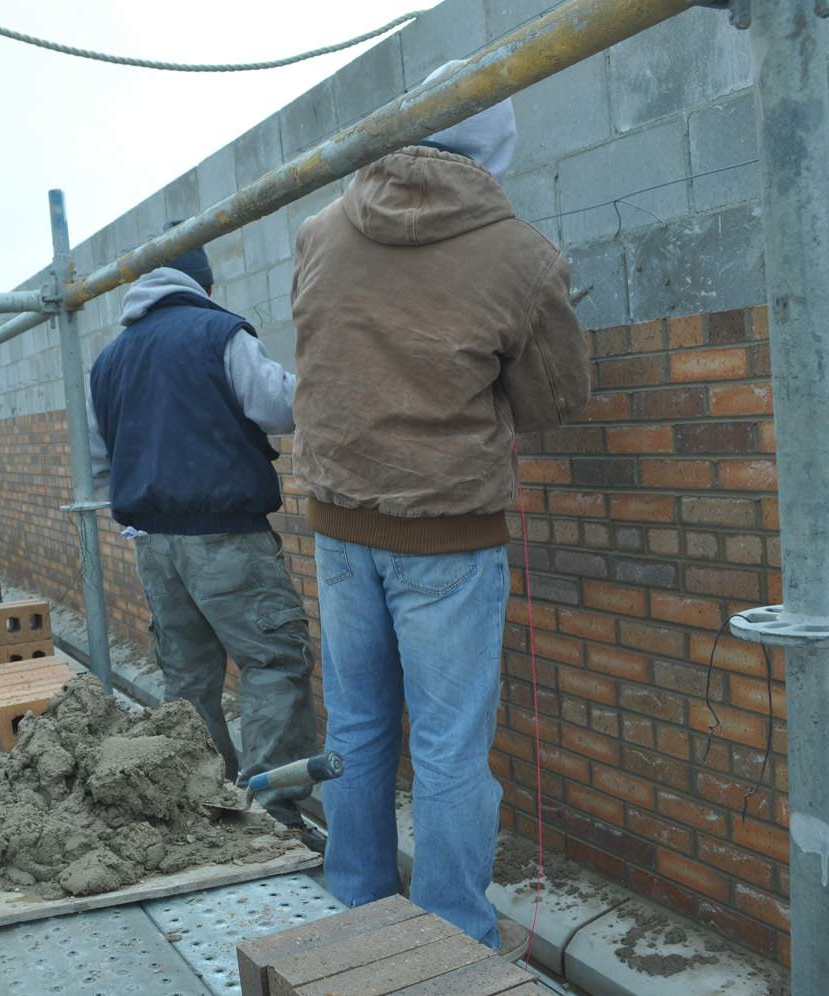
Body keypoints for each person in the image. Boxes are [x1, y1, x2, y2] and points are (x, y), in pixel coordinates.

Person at [290, 60, 590, 954]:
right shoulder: (522, 255)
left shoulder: (318, 231)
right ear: (493, 149)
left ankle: (360, 914)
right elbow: (551, 403)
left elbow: (321, 360)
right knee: (452, 750)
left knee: (357, 728)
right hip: (448, 540)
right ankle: (454, 936)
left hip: (340, 529)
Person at [87, 230, 318, 830]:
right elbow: (278, 408)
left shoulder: (108, 361)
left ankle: (207, 804)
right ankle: (271, 808)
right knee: (271, 662)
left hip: (155, 544)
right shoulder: (218, 331)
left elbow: (97, 461)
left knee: (188, 678)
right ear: (203, 285)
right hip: (225, 536)